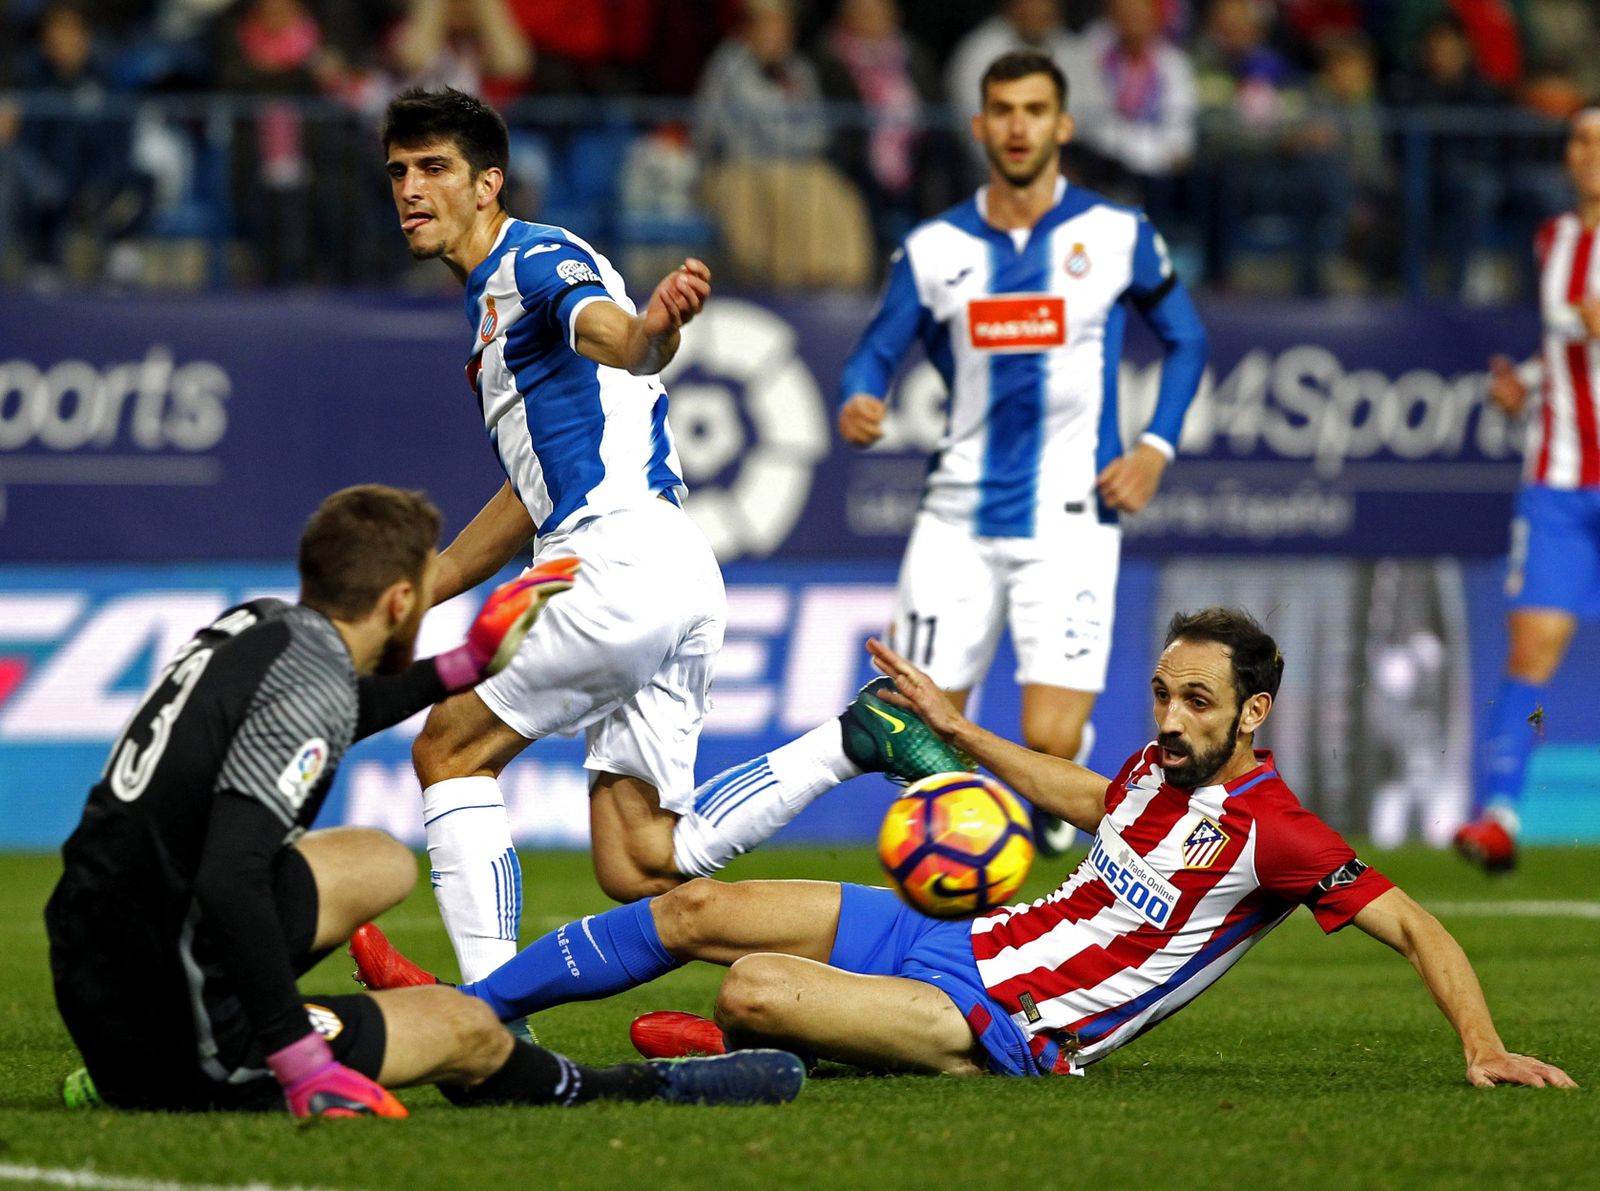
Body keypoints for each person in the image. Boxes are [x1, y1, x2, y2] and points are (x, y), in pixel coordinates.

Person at [352, 607, 1577, 1091]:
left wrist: (1482, 1046)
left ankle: (759, 1051)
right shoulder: (1153, 771)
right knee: (696, 909)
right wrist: (953, 726)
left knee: (754, 984)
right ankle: (468, 1008)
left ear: (1252, 712)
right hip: (958, 934)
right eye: (1161, 692)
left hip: (1005, 1024)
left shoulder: (1280, 834)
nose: (1168, 715)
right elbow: (1076, 788)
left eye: (1195, 701)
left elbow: (1415, 924)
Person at [378, 87, 969, 1000]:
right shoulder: (492, 305)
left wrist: (650, 331)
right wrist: (424, 587)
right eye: (398, 171)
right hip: (671, 565)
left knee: (449, 750)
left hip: (609, 563)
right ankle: (853, 739)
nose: (411, 189)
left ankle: (487, 1016)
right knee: (641, 860)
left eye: (434, 168)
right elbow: (528, 493)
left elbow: (618, 337)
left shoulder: (531, 260)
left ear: (488, 183)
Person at [45, 483, 805, 1115]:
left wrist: (465, 664)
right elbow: (230, 877)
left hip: (96, 955)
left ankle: (149, 1049)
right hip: (167, 1015)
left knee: (376, 861)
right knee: (464, 1027)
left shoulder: (263, 628)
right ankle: (634, 1088)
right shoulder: (310, 694)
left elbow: (339, 707)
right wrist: (295, 1053)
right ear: (403, 598)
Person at [836, 50, 1208, 853]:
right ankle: (954, 867)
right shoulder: (934, 248)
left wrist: (1154, 447)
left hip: (1073, 513)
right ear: (979, 125)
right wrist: (860, 397)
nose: (1018, 126)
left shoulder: (1116, 234)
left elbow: (1187, 338)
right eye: (1003, 110)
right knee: (920, 728)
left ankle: (1044, 796)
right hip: (956, 514)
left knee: (1052, 735)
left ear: (1062, 124)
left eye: (1034, 110)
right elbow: (872, 353)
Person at [1455, 104, 1600, 873]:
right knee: (1531, 648)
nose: (1590, 151)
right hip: (1558, 479)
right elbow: (1564, 350)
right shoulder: (1553, 239)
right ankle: (1501, 816)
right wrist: (1528, 385)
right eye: (1580, 139)